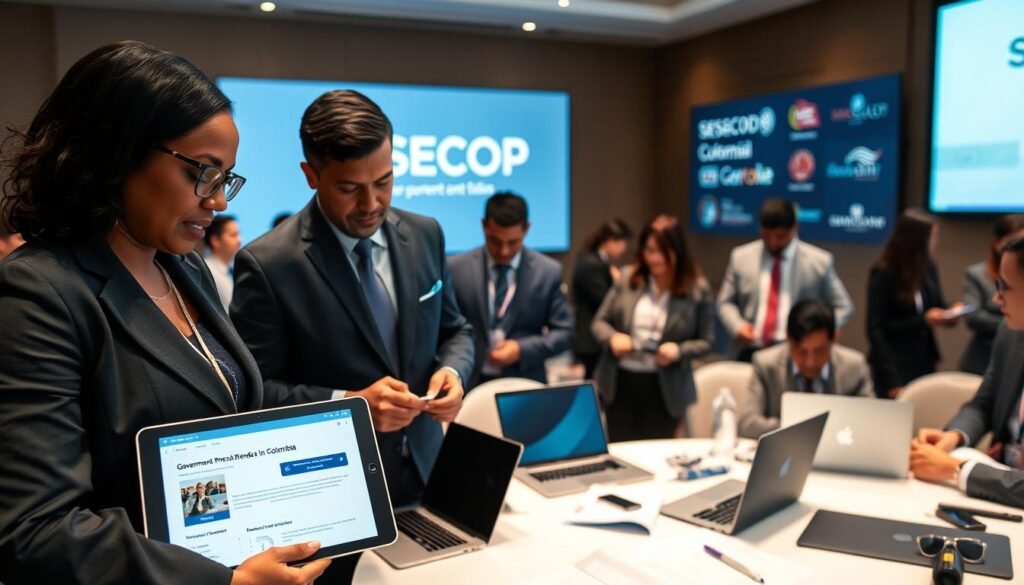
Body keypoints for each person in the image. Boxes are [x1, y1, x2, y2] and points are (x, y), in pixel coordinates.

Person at [0, 41, 329, 585]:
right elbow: (35, 530)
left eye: (225, 178)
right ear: (117, 152)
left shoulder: (187, 269)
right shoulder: (40, 293)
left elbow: (222, 399)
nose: (218, 200)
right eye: (203, 173)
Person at [230, 90, 473, 542]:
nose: (371, 204)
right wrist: (351, 404)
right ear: (310, 175)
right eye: (349, 188)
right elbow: (254, 393)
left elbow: (455, 330)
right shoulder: (268, 264)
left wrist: (452, 372)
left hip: (426, 472)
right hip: (327, 494)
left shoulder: (425, 234)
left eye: (384, 181)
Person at [911, 237, 1024, 509]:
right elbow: (983, 404)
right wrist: (956, 436)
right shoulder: (1009, 334)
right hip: (995, 496)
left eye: (1004, 287)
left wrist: (958, 469)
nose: (997, 299)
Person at [591, 215, 713, 441]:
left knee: (657, 455)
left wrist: (678, 351)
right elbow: (599, 322)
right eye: (649, 250)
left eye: (662, 251)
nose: (655, 258)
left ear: (677, 251)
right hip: (621, 384)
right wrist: (613, 338)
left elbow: (707, 341)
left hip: (665, 388)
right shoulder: (629, 278)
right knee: (622, 454)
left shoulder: (697, 289)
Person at [448, 192, 573, 388]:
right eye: (495, 241)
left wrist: (521, 349)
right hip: (469, 384)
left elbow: (564, 333)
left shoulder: (547, 272)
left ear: (527, 229)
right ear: (484, 226)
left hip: (524, 384)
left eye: (513, 242)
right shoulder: (456, 268)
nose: (504, 251)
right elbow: (446, 329)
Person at [717, 198, 853, 362]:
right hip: (750, 349)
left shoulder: (818, 262)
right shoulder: (741, 257)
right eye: (767, 236)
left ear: (795, 228)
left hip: (795, 352)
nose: (773, 242)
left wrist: (821, 331)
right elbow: (724, 302)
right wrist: (738, 326)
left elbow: (844, 307)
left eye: (780, 236)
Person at [737, 300, 874, 439]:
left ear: (834, 339)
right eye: (801, 352)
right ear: (788, 339)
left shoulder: (854, 367)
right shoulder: (766, 364)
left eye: (819, 351)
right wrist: (807, 430)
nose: (810, 362)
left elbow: (873, 422)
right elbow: (746, 424)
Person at [867, 210, 962, 398]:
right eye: (933, 237)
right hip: (895, 365)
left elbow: (936, 304)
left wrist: (951, 312)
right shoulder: (884, 272)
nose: (936, 242)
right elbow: (876, 329)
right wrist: (891, 380)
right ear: (916, 240)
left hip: (924, 360)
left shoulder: (928, 267)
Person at [960, 215, 1024, 374]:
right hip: (981, 358)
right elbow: (973, 316)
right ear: (997, 243)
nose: (997, 298)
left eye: (1006, 287)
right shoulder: (977, 273)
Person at [572, 218, 632, 379]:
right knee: (595, 384)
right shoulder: (592, 263)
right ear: (610, 241)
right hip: (591, 340)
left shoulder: (596, 261)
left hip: (593, 338)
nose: (624, 249)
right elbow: (605, 301)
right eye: (622, 243)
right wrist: (619, 282)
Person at [203, 214, 241, 311]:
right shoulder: (207, 271)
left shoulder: (232, 271)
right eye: (233, 235)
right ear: (215, 240)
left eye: (238, 234)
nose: (239, 240)